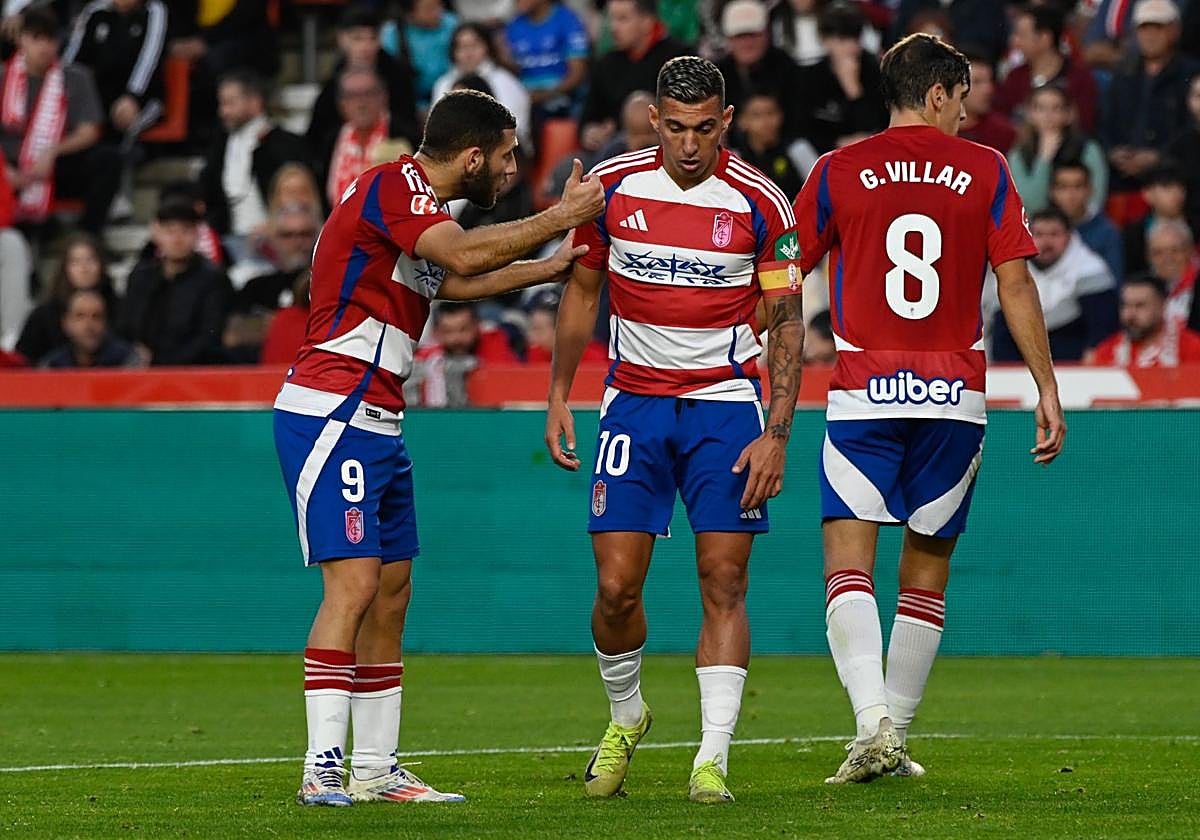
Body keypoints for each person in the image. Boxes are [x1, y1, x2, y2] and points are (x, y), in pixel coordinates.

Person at [273, 89, 604, 807]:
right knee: (355, 586)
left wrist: (547, 266)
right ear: (474, 156)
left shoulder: (413, 207)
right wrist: (558, 218)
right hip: (335, 407)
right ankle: (322, 766)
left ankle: (376, 768)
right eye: (509, 156)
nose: (514, 169)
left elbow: (449, 279)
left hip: (380, 417)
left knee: (391, 594)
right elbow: (458, 254)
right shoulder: (397, 183)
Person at [791, 33, 1064, 784]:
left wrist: (748, 344)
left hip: (863, 389)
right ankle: (893, 735)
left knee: (848, 565)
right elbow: (1015, 283)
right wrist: (1045, 386)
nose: (967, 115)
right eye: (964, 99)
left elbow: (785, 272)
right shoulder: (986, 169)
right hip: (953, 395)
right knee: (926, 574)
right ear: (938, 92)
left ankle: (875, 727)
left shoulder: (836, 169)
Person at [545, 57, 805, 804]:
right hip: (632, 403)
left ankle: (711, 757)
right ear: (653, 120)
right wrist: (560, 393)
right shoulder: (612, 188)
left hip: (727, 407)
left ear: (725, 122)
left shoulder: (764, 203)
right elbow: (583, 289)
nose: (690, 144)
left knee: (723, 579)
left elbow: (787, 324)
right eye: (676, 127)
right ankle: (628, 716)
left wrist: (778, 432)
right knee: (617, 587)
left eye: (705, 128)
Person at [1, 7, 115, 233]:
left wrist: (53, 151)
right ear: (21, 40)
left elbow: (89, 131)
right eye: (36, 39)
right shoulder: (2, 78)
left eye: (50, 39)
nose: (44, 47)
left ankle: (88, 235)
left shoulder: (76, 77)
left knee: (108, 159)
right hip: (8, 166)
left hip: (56, 164)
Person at [201, 69, 309, 257]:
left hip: (277, 245)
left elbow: (301, 196)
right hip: (228, 245)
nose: (223, 111)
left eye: (230, 103)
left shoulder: (284, 144)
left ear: (255, 101)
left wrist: (275, 225)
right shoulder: (219, 146)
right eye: (222, 103)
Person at [991, 207, 1117, 363]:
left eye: (1054, 234)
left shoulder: (1091, 270)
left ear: (1069, 236)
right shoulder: (1012, 271)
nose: (1046, 242)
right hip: (1021, 368)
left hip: (1077, 368)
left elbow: (1102, 332)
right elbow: (1001, 334)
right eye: (1039, 235)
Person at [117, 199, 233, 365]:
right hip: (140, 372)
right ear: (156, 233)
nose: (177, 239)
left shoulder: (213, 279)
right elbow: (123, 326)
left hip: (193, 372)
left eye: (185, 230)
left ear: (197, 234)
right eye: (170, 231)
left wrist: (160, 362)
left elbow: (209, 338)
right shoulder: (141, 275)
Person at [1101, 0, 1200, 194]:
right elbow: (1105, 121)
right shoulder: (1123, 74)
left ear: (1174, 30)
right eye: (1144, 29)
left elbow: (1192, 127)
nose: (1150, 36)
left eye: (1158, 28)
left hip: (1175, 180)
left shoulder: (1191, 74)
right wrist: (1113, 152)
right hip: (1121, 178)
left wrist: (1159, 156)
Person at [311, 5, 420, 178]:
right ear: (342, 39)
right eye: (358, 38)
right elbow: (316, 137)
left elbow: (411, 126)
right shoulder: (331, 84)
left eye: (372, 38)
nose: (366, 46)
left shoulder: (398, 77)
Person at [578, 0, 688, 152]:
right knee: (565, 168)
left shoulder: (679, 59)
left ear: (647, 22)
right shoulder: (606, 63)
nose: (613, 28)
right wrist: (590, 132)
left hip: (664, 147)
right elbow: (589, 115)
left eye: (622, 19)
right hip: (607, 145)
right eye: (612, 19)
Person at [796, 1, 887, 153]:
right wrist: (836, 142)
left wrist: (854, 91)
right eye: (842, 40)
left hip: (870, 154)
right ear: (824, 39)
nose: (851, 48)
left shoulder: (876, 72)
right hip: (825, 156)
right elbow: (801, 130)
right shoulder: (809, 77)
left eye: (855, 39)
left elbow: (878, 126)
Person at [993, 4, 1099, 133]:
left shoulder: (1079, 78)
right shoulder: (1015, 77)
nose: (1015, 42)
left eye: (1021, 35)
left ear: (1044, 38)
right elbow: (1001, 121)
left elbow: (1083, 126)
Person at [16, 231, 118, 363]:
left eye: (90, 260)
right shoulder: (43, 316)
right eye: (76, 262)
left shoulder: (120, 309)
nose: (84, 268)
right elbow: (22, 361)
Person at [1005, 84, 1107, 215]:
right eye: (1041, 108)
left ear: (1068, 114)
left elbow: (1095, 200)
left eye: (1056, 108)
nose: (1048, 116)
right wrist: (1044, 158)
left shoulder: (1088, 149)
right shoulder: (1018, 154)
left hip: (1082, 225)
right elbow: (1030, 205)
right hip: (1038, 228)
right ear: (1030, 114)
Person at [716, 0, 806, 141]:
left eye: (753, 35)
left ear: (767, 33)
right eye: (740, 36)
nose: (747, 43)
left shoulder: (788, 69)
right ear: (728, 39)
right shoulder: (717, 75)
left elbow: (798, 121)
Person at [432, 23, 531, 147]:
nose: (468, 53)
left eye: (474, 45)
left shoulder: (505, 82)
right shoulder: (443, 83)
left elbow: (512, 129)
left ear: (487, 47)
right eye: (461, 47)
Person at [502, 0, 588, 118]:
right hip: (525, 98)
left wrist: (543, 95)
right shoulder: (514, 25)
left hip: (562, 98)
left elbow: (577, 74)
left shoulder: (568, 20)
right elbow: (513, 70)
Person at [1090, 275, 1200, 367]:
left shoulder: (1191, 348)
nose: (1130, 314)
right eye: (1126, 305)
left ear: (1162, 306)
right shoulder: (1106, 352)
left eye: (1140, 305)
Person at [325, 68, 394, 207]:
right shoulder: (329, 142)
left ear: (383, 97)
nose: (361, 103)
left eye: (368, 94)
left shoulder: (406, 136)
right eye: (352, 96)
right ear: (341, 104)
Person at [1049, 161, 1123, 282]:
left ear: (1090, 190)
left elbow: (1114, 281)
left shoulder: (1108, 232)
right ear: (1052, 192)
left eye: (1078, 186)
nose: (1070, 195)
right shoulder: (1038, 230)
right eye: (1063, 187)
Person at [731, 92, 807, 198]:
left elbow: (821, 190)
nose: (766, 122)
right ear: (742, 121)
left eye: (771, 113)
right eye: (757, 115)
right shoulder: (734, 159)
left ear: (781, 116)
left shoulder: (797, 149)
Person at [40, 288, 138, 368]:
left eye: (96, 316)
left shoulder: (127, 361)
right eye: (80, 316)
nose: (88, 325)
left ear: (106, 323)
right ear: (66, 323)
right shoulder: (52, 365)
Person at [1123, 165, 1192, 275]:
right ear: (1147, 194)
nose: (1176, 194)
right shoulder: (1134, 233)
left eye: (1180, 187)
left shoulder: (1196, 226)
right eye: (1167, 187)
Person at [957, 52, 1016, 154]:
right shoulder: (936, 131)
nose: (988, 89)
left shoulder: (1004, 134)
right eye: (977, 82)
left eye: (989, 81)